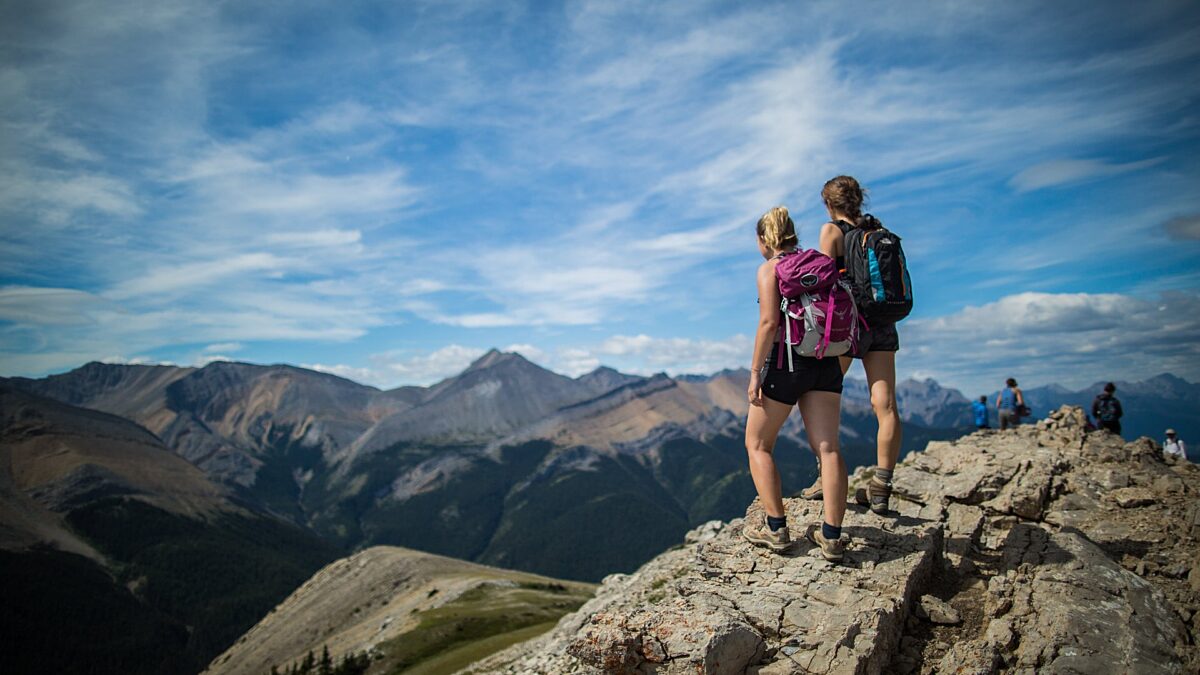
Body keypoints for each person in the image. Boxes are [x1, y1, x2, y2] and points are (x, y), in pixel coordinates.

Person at [744, 206, 848, 562]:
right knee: (828, 448)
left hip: (787, 364)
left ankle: (776, 529)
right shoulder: (818, 261)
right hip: (826, 360)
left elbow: (769, 323)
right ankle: (832, 535)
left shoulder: (770, 269)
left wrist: (756, 372)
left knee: (757, 444)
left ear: (764, 240)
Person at [800, 176, 901, 516]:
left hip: (850, 326)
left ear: (827, 203)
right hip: (883, 324)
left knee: (821, 398)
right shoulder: (879, 232)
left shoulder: (832, 232)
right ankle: (882, 486)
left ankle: (823, 480)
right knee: (885, 404)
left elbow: (824, 281)